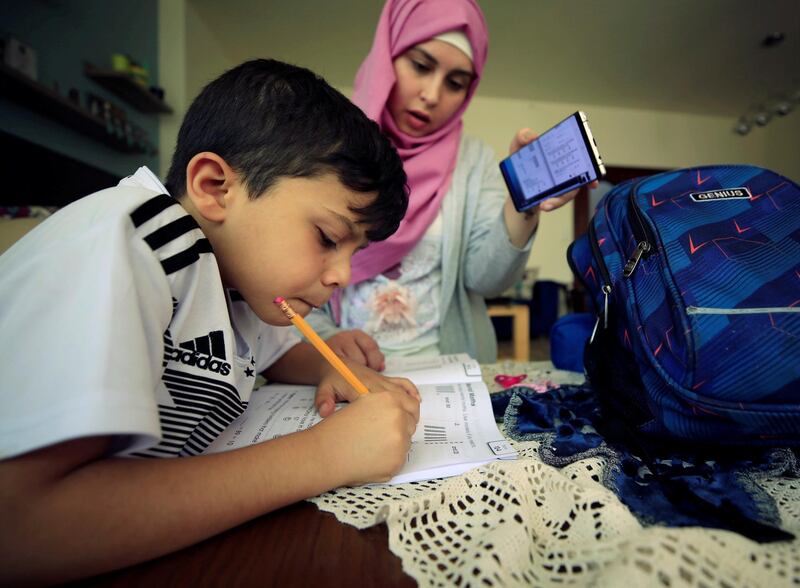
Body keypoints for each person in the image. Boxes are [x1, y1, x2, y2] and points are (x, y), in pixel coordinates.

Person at [0, 58, 420, 584]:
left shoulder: (236, 277)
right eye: (328, 238)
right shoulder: (132, 243)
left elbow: (273, 352)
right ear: (216, 186)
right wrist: (324, 456)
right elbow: (22, 525)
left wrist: (328, 363)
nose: (342, 275)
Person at [307, 0, 595, 369]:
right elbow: (293, 269)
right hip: (336, 369)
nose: (432, 94)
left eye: (455, 83)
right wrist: (326, 343)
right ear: (387, 55)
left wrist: (523, 205)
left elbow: (487, 280)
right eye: (420, 66)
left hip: (445, 374)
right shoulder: (325, 146)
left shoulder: (472, 160)